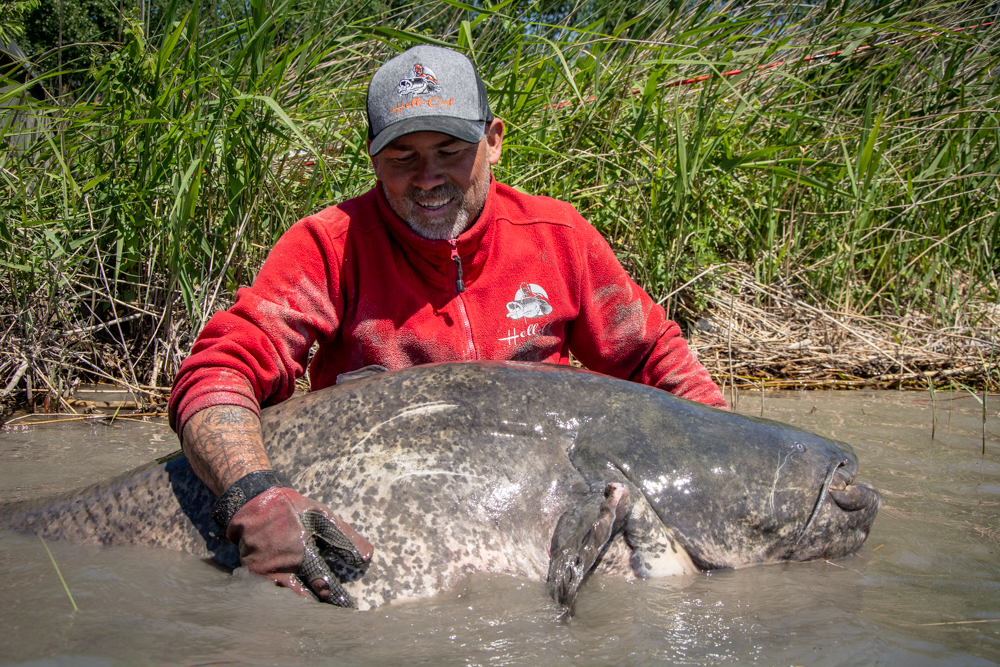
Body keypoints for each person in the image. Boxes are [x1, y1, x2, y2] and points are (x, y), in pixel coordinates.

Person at [168, 45, 728, 606]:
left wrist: (729, 460)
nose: (428, 177)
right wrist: (254, 498)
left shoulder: (559, 237)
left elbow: (655, 360)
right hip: (379, 515)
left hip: (534, 518)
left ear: (494, 140)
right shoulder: (329, 246)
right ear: (372, 157)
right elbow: (218, 373)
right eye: (402, 156)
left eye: (450, 150)